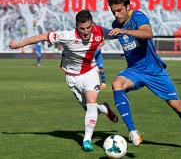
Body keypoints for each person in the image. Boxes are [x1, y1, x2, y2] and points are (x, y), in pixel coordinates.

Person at [106, 0, 181, 153]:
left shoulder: (138, 16)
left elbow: (148, 34)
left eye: (119, 10)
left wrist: (125, 32)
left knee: (177, 106)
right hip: (134, 70)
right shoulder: (116, 24)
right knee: (116, 83)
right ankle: (133, 131)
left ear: (128, 7)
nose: (116, 14)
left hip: (154, 71)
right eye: (113, 11)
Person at [9, 9, 118, 152]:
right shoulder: (66, 36)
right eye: (82, 28)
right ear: (76, 26)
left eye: (88, 28)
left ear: (92, 24)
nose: (86, 32)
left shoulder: (100, 31)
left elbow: (118, 34)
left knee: (91, 104)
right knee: (89, 109)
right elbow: (43, 36)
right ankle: (104, 108)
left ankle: (86, 140)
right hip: (72, 77)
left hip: (91, 72)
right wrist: (19, 44)